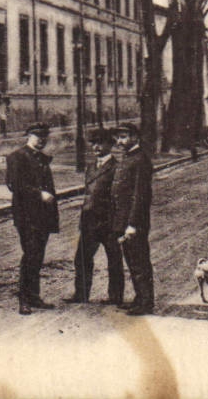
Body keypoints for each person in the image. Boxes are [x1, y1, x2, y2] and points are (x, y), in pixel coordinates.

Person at [5, 122, 60, 314]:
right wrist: (39, 194)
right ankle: (24, 300)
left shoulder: (43, 158)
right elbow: (14, 185)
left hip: (43, 216)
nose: (41, 140)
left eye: (44, 137)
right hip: (27, 215)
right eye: (37, 137)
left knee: (38, 256)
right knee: (30, 255)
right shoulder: (16, 157)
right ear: (28, 136)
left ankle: (34, 296)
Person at [68, 128, 124, 304]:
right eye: (93, 143)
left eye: (100, 143)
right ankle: (81, 294)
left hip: (108, 221)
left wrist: (118, 222)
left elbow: (120, 197)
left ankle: (115, 297)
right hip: (89, 221)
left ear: (110, 145)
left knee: (114, 259)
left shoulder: (116, 167)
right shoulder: (91, 167)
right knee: (82, 258)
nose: (96, 147)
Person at [109, 121, 155, 315]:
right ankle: (139, 298)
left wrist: (133, 224)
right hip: (123, 219)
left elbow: (140, 195)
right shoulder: (128, 157)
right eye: (119, 137)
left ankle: (146, 302)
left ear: (136, 137)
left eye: (125, 136)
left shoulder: (140, 159)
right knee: (132, 260)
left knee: (139, 262)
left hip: (133, 222)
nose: (121, 140)